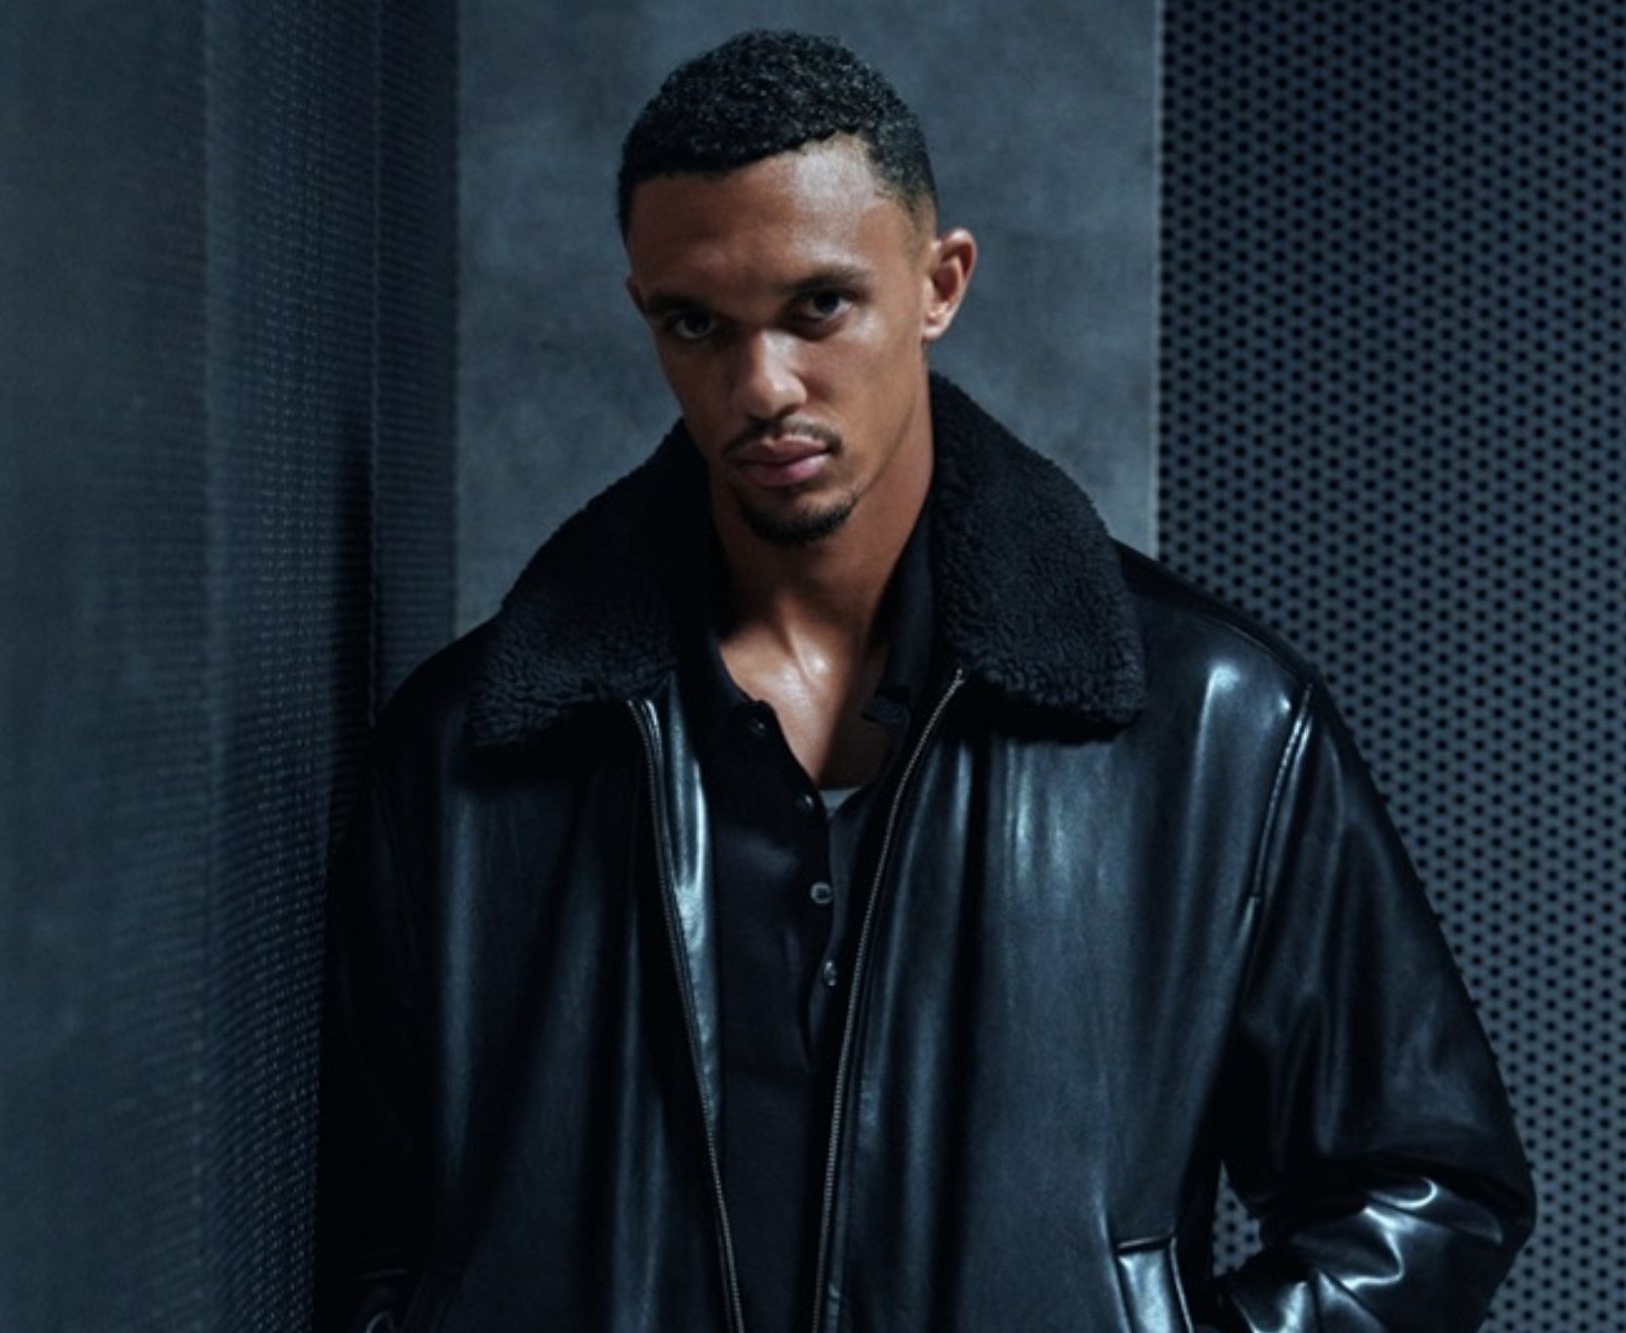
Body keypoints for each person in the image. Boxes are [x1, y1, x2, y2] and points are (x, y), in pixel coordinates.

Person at [314, 29, 1534, 1333]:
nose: (761, 385)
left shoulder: (1213, 721)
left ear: (938, 283)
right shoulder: (465, 755)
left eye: (818, 307)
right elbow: (374, 1244)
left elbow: (1427, 1184)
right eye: (698, 323)